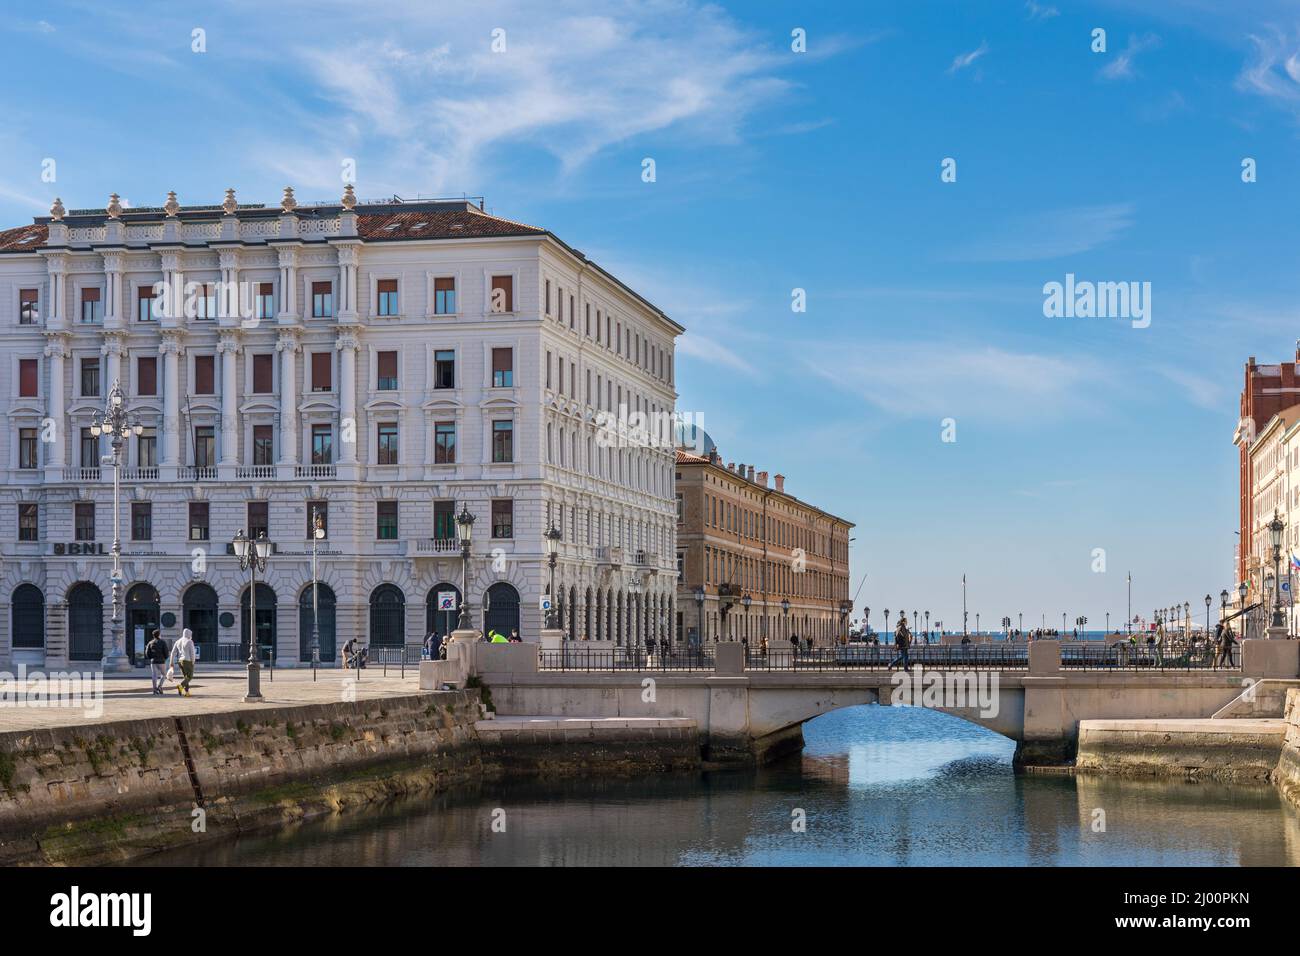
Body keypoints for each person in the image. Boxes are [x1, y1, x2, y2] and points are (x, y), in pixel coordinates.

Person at [169, 627, 196, 696]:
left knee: (185, 678)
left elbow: (173, 652)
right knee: (189, 677)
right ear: (188, 634)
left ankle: (187, 692)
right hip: (188, 661)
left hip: (180, 661)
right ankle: (181, 686)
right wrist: (193, 661)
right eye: (190, 634)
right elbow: (192, 653)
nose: (191, 636)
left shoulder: (178, 641)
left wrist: (171, 661)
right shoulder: (189, 641)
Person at [144, 629, 169, 695]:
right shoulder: (163, 642)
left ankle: (154, 689)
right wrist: (165, 658)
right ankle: (160, 686)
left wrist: (151, 658)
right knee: (164, 674)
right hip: (161, 661)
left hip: (153, 662)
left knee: (154, 675)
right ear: (159, 634)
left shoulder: (150, 642)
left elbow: (147, 652)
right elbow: (166, 652)